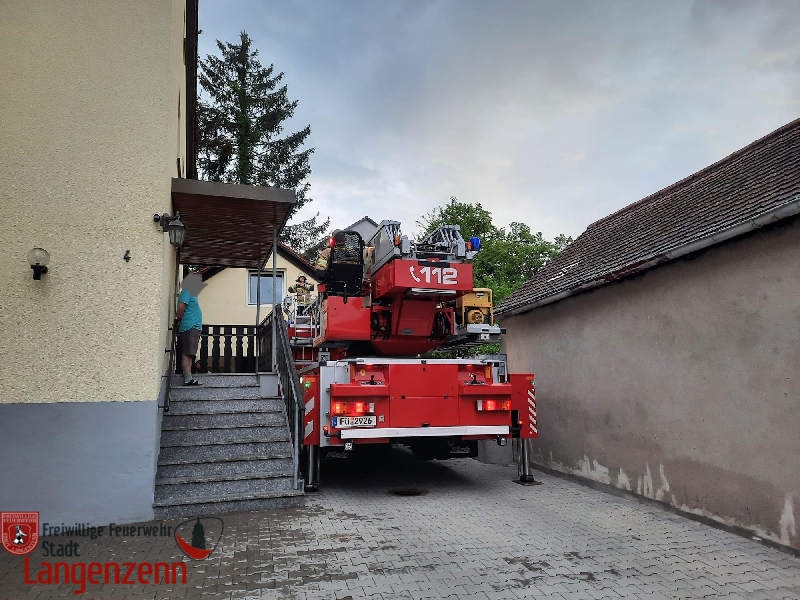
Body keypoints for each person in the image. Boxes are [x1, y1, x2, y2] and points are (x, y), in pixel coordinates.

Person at [177, 273, 206, 385]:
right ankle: (187, 377)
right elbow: (181, 307)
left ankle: (189, 377)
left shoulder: (190, 292)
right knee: (187, 353)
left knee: (190, 353)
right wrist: (179, 319)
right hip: (189, 326)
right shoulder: (187, 291)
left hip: (193, 326)